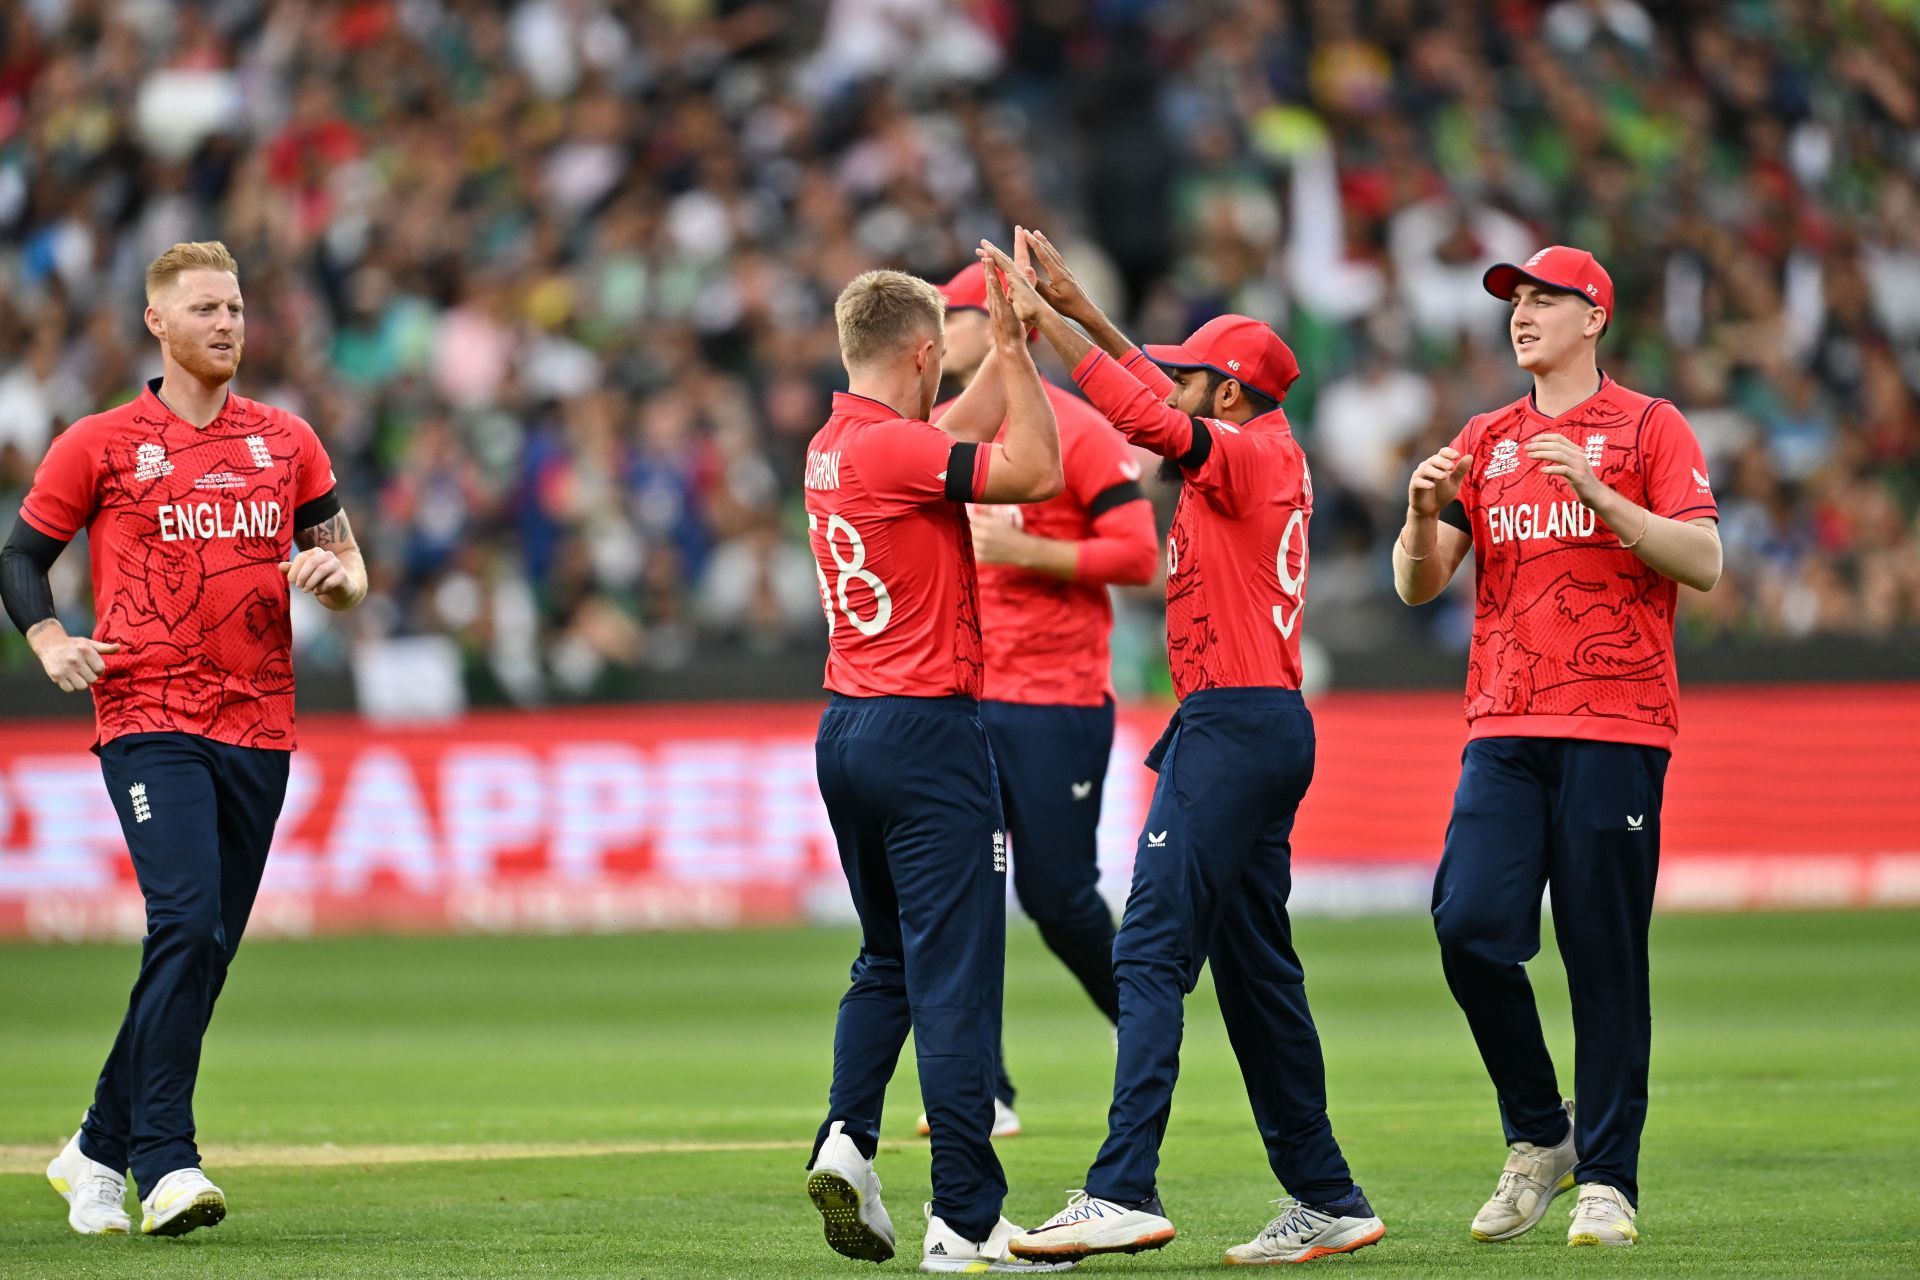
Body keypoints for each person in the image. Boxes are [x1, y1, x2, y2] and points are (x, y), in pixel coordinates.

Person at [980, 231, 1386, 1268]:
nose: (1177, 384)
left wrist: (1051, 332)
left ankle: (1122, 1188)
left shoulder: (1245, 453)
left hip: (1233, 723)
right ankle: (1326, 1193)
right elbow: (1163, 392)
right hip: (1258, 722)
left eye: (1198, 376)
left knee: (1149, 944)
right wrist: (1077, 305)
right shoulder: (1259, 445)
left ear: (1232, 394)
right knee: (1257, 973)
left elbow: (1147, 413)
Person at [0, 241, 367, 1238]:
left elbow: (347, 557)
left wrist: (341, 580)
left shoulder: (286, 441)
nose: (228, 323)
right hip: (149, 714)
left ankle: (92, 1143)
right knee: (187, 917)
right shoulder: (103, 441)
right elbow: (23, 554)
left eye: (237, 306)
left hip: (262, 722)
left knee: (203, 947)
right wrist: (47, 638)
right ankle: (165, 1159)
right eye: (205, 307)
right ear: (157, 323)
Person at [1392, 246, 1722, 1249]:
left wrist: (1602, 493)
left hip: (1616, 723)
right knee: (1466, 923)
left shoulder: (1650, 425)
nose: (1523, 315)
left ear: (1596, 318)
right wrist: (1416, 516)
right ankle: (1542, 1130)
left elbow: (1703, 559)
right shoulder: (1484, 437)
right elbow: (1420, 585)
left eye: (1545, 300)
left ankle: (1609, 1179)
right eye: (1515, 302)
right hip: (1503, 720)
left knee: (1603, 953)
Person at [800, 265, 1070, 1274]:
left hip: (846, 729)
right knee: (957, 980)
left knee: (887, 960)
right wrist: (1028, 362)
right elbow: (1035, 469)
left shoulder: (836, 443)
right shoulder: (901, 447)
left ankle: (847, 1138)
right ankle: (964, 1218)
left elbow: (950, 421)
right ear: (921, 350)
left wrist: (1003, 348)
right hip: (929, 735)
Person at [907, 262, 1158, 1142]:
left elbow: (1140, 556)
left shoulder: (1077, 431)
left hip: (1055, 699)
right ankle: (981, 1091)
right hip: (963, 699)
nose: (941, 337)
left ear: (998, 325)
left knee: (1057, 898)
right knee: (965, 896)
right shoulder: (940, 431)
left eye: (956, 318)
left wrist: (1027, 552)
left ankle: (1148, 1030)